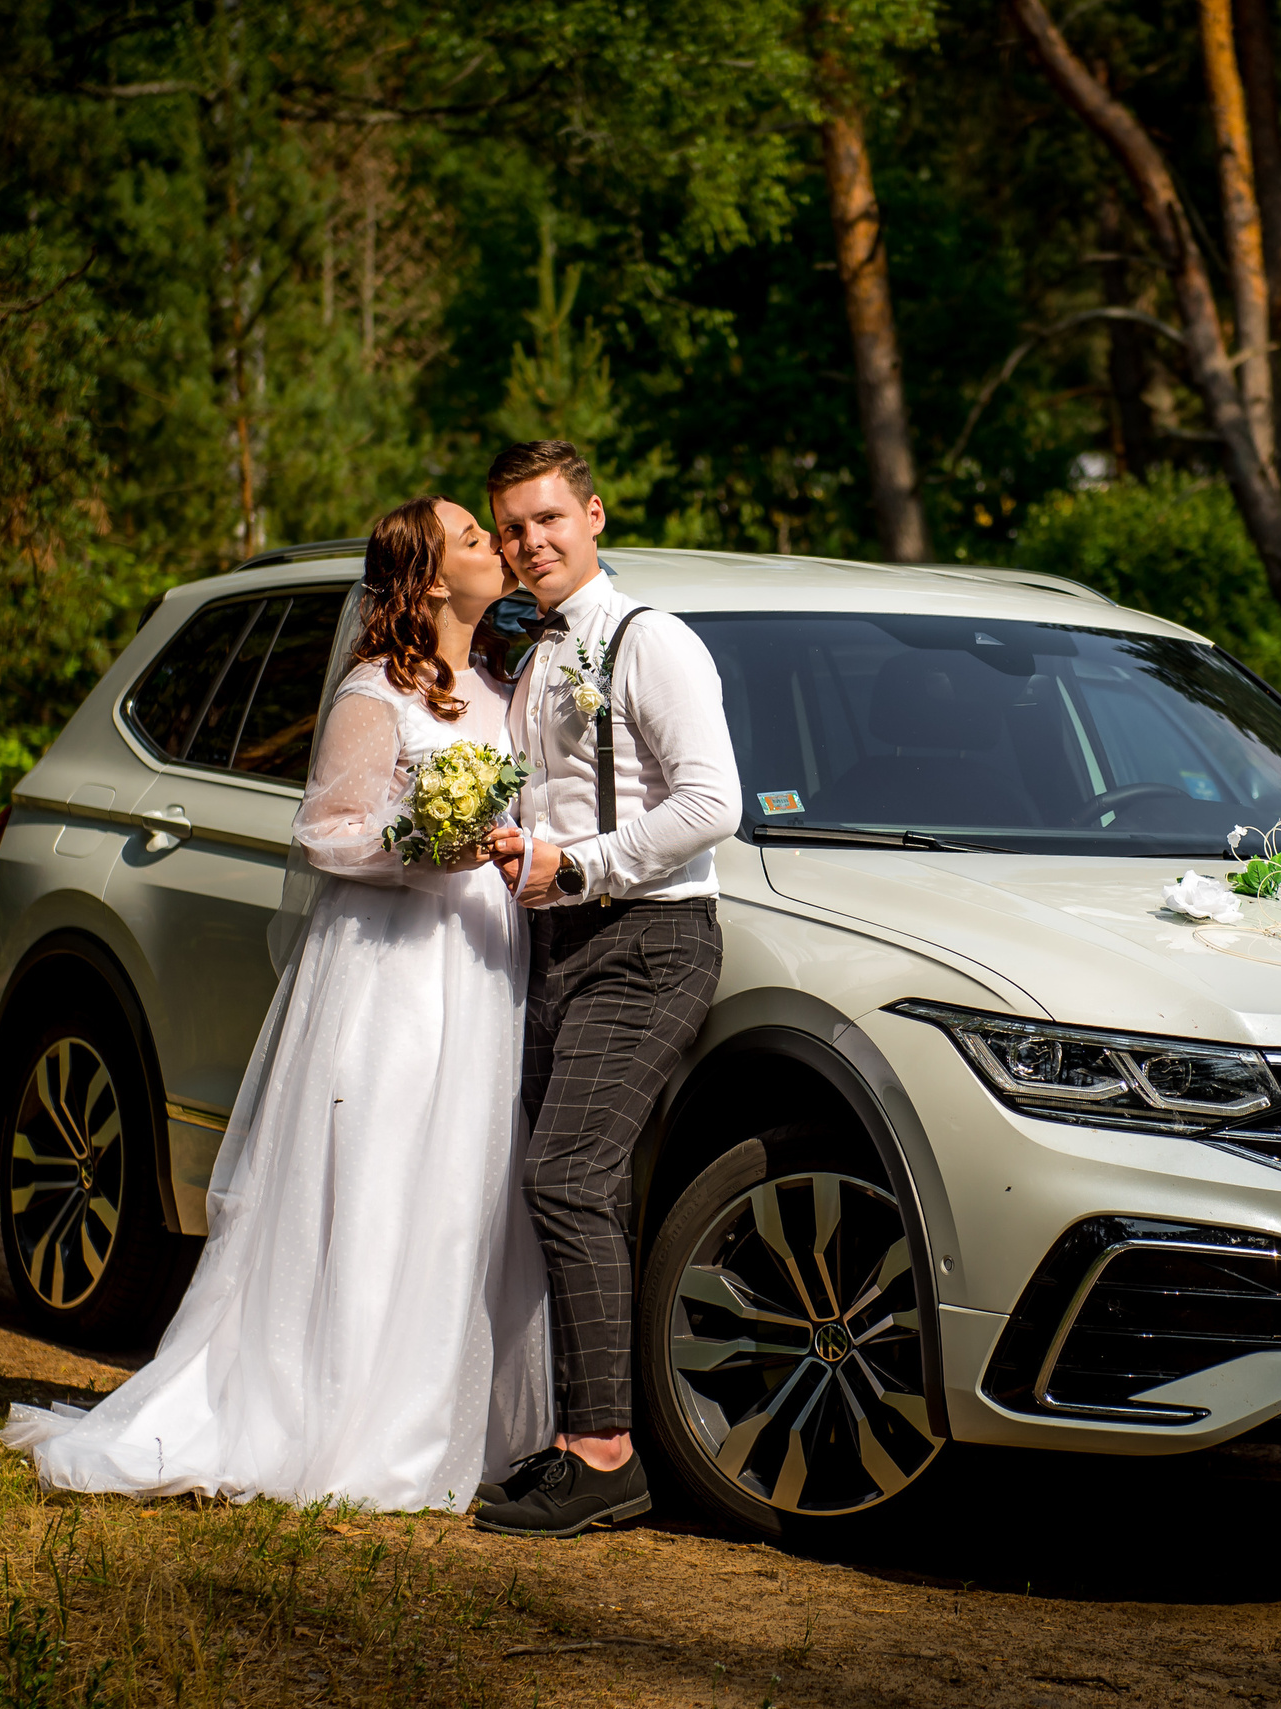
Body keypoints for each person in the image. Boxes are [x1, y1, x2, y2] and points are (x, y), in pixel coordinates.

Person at [0, 496, 552, 1511]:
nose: (496, 547)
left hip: (474, 967)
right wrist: (428, 847)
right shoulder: (368, 692)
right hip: (389, 967)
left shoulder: (491, 688)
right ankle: (345, 1421)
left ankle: (435, 1416)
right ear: (429, 579)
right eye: (474, 536)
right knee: (378, 1179)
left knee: (457, 1190)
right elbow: (328, 835)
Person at [475, 440, 742, 1538]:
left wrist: (578, 866)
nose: (530, 542)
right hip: (560, 944)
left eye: (547, 519)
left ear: (592, 514)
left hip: (650, 940)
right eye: (511, 528)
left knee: (570, 1174)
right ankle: (570, 1427)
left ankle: (606, 1456)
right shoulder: (534, 652)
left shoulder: (651, 641)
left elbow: (713, 802)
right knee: (556, 1186)